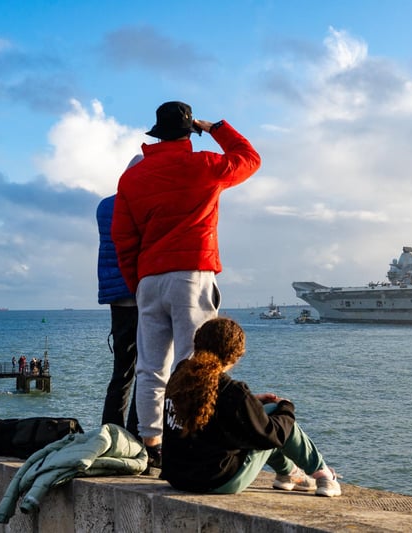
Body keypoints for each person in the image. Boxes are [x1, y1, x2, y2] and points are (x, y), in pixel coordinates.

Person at [112, 101, 261, 468]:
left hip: (149, 278)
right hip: (191, 273)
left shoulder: (132, 177)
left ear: (156, 132)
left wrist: (138, 281)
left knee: (150, 366)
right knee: (192, 361)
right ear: (189, 131)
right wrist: (214, 127)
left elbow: (122, 237)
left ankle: (151, 444)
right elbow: (249, 158)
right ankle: (188, 438)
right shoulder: (203, 166)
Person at [160, 317, 341, 497]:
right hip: (216, 481)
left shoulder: (180, 376)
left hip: (177, 477)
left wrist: (251, 402)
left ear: (197, 344)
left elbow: (213, 409)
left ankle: (288, 475)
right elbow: (272, 436)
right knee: (277, 418)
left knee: (258, 420)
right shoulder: (232, 391)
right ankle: (323, 475)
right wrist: (286, 407)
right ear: (236, 355)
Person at [97, 165, 142, 438]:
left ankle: (110, 430)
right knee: (148, 368)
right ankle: (137, 432)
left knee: (122, 371)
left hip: (115, 296)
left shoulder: (104, 206)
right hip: (139, 293)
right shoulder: (137, 205)